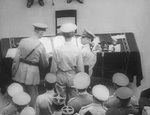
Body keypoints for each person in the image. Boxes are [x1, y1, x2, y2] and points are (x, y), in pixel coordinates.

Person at [12, 23, 49, 107]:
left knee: (21, 95)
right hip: (33, 73)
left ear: (34, 30)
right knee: (33, 96)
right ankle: (33, 111)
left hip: (20, 71)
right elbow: (44, 64)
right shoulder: (40, 46)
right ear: (41, 33)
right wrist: (47, 57)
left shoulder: (23, 41)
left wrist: (14, 73)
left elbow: (16, 60)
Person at [50, 23, 84, 102]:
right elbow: (80, 68)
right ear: (72, 35)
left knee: (60, 99)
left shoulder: (57, 49)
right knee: (73, 99)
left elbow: (53, 68)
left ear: (63, 35)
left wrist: (53, 78)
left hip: (60, 75)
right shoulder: (77, 49)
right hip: (72, 76)